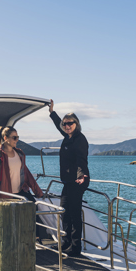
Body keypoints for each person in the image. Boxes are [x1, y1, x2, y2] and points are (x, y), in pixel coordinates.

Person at [49, 100, 89, 257]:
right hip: (68, 182)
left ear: (76, 124)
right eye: (65, 124)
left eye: (70, 123)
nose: (66, 126)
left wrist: (80, 178)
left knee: (74, 214)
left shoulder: (79, 139)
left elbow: (81, 160)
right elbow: (59, 124)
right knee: (65, 212)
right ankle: (66, 242)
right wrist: (52, 112)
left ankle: (75, 247)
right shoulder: (68, 136)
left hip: (77, 181)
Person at [0, 126, 44, 202]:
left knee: (34, 209)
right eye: (14, 138)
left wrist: (38, 193)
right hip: (5, 196)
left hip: (21, 192)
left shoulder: (19, 153)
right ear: (5, 138)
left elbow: (27, 175)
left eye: (18, 137)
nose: (17, 140)